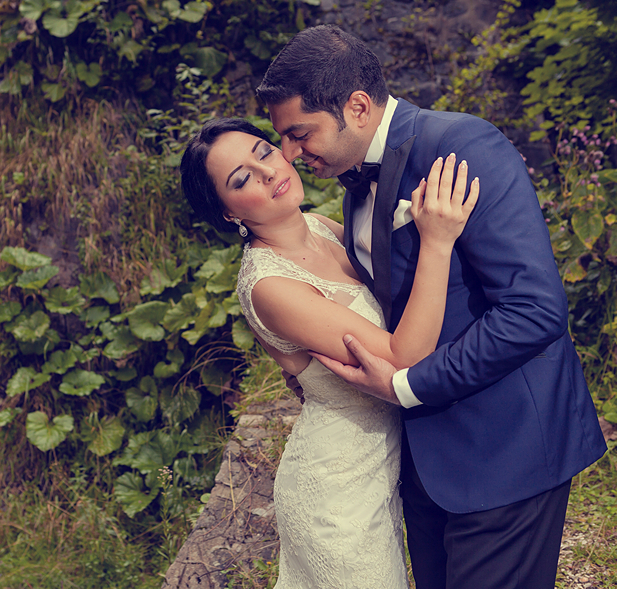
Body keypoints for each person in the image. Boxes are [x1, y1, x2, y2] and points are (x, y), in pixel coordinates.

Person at [256, 25, 607, 589]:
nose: (290, 154)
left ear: (359, 106)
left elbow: (535, 310)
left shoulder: (462, 147)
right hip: (424, 463)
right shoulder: (352, 178)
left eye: (300, 133)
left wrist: (405, 387)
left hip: (505, 450)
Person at [181, 116, 478, 588]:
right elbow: (404, 358)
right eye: (241, 180)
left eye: (263, 152)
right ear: (228, 213)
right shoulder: (270, 286)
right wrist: (437, 243)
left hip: (382, 472)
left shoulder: (321, 227)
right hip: (336, 493)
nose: (267, 172)